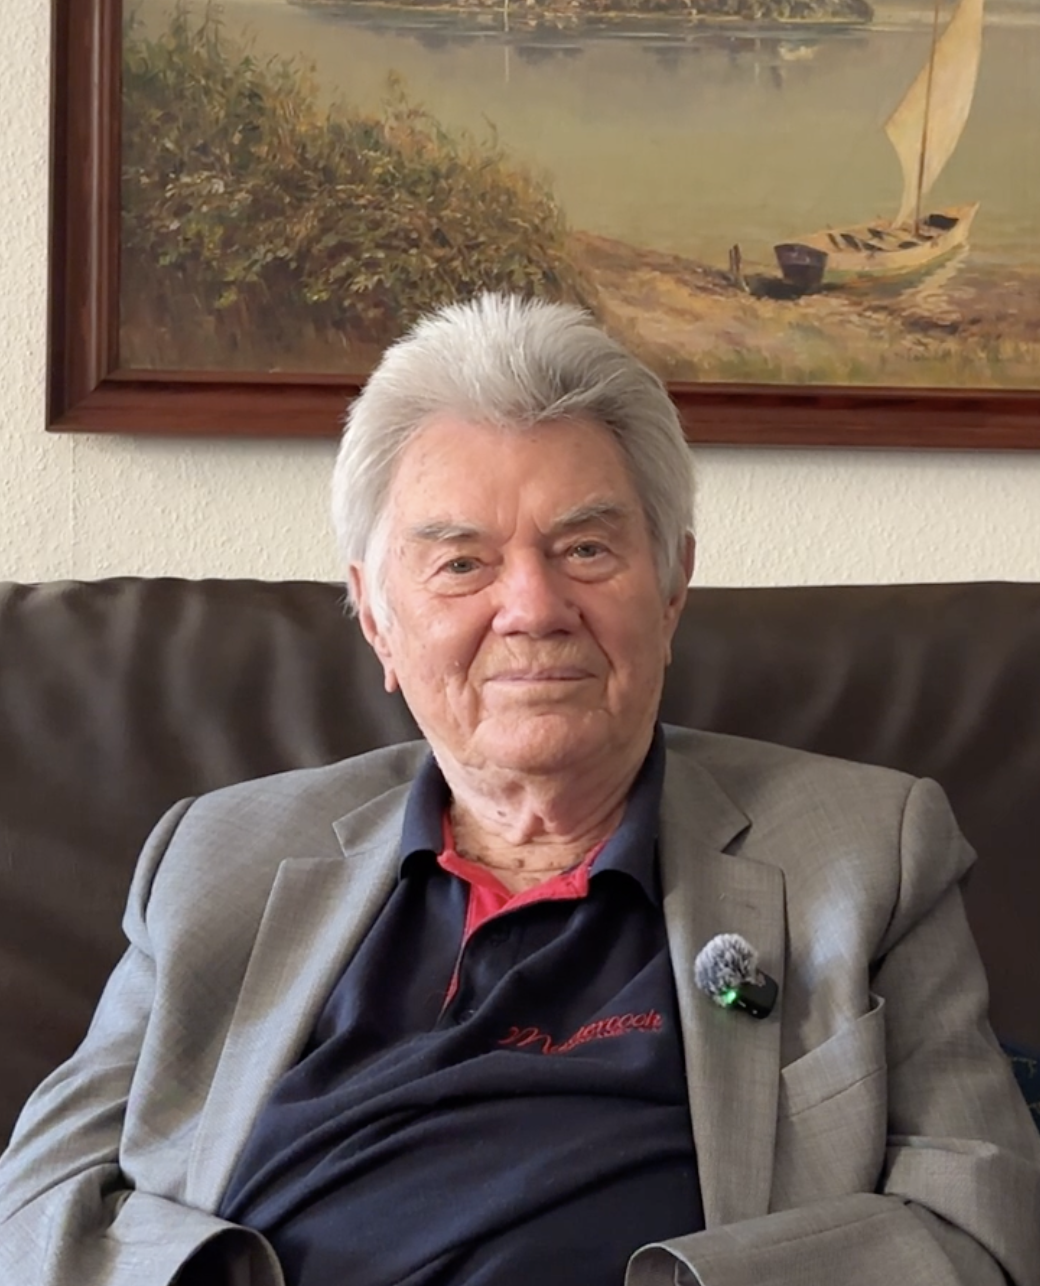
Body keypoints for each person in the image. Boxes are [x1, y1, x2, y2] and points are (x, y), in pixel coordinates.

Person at [0, 294, 1037, 1286]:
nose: (534, 607)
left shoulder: (866, 850)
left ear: (671, 586)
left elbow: (975, 1224)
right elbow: (42, 1204)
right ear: (376, 617)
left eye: (585, 548)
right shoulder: (219, 855)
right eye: (461, 564)